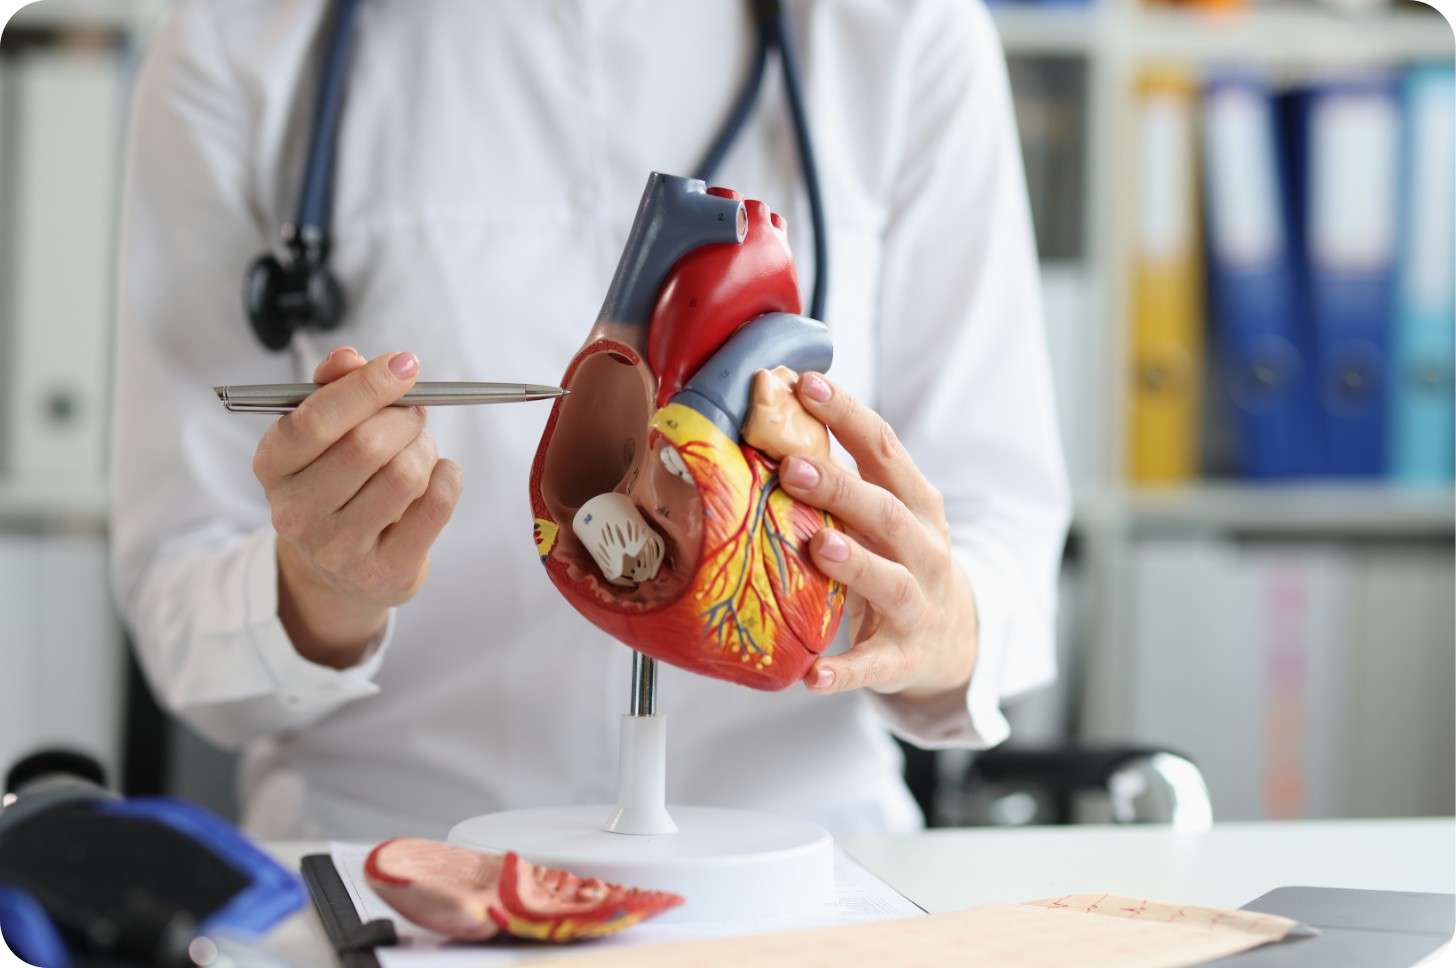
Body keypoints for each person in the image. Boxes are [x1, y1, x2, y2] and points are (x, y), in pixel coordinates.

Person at [111, 0, 1069, 840]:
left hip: (807, 876)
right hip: (393, 874)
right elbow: (179, 594)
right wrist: (320, 593)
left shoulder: (902, 32)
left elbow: (1006, 539)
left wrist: (939, 622)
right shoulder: (238, 47)